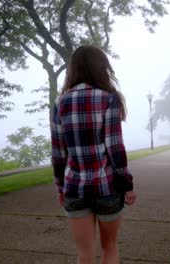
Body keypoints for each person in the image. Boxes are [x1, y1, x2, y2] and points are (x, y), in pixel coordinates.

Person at [51, 45, 137, 264]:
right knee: (109, 248)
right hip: (107, 186)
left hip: (75, 188)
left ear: (73, 69)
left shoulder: (60, 103)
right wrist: (126, 183)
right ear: (101, 67)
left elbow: (58, 151)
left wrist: (60, 185)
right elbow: (115, 147)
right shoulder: (108, 99)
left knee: (85, 255)